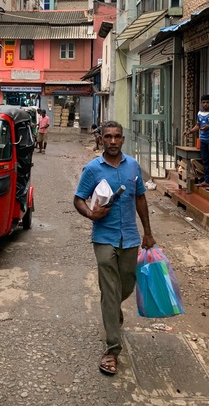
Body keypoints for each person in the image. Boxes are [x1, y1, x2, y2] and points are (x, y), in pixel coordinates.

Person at [73, 121, 155, 376]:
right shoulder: (92, 169)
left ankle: (114, 307)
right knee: (109, 290)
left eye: (117, 136)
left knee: (127, 283)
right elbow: (78, 199)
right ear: (101, 139)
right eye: (107, 136)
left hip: (129, 237)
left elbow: (140, 198)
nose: (112, 141)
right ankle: (112, 349)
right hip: (104, 238)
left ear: (123, 139)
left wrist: (148, 232)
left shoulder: (133, 166)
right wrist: (90, 214)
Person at [184, 94, 209, 191]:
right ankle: (206, 180)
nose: (205, 104)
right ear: (201, 103)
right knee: (205, 161)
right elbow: (198, 125)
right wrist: (190, 131)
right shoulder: (199, 113)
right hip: (203, 140)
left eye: (207, 102)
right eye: (203, 102)